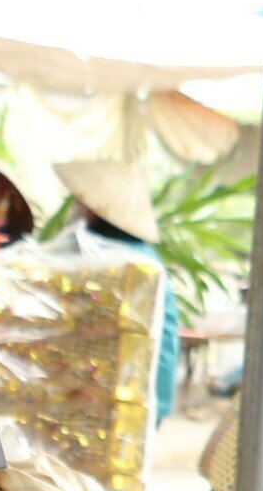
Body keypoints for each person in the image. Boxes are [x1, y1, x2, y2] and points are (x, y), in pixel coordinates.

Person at [54, 160, 182, 423]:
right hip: (139, 396)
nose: (75, 208)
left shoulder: (120, 262)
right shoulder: (132, 255)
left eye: (80, 201)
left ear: (96, 209)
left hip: (130, 398)